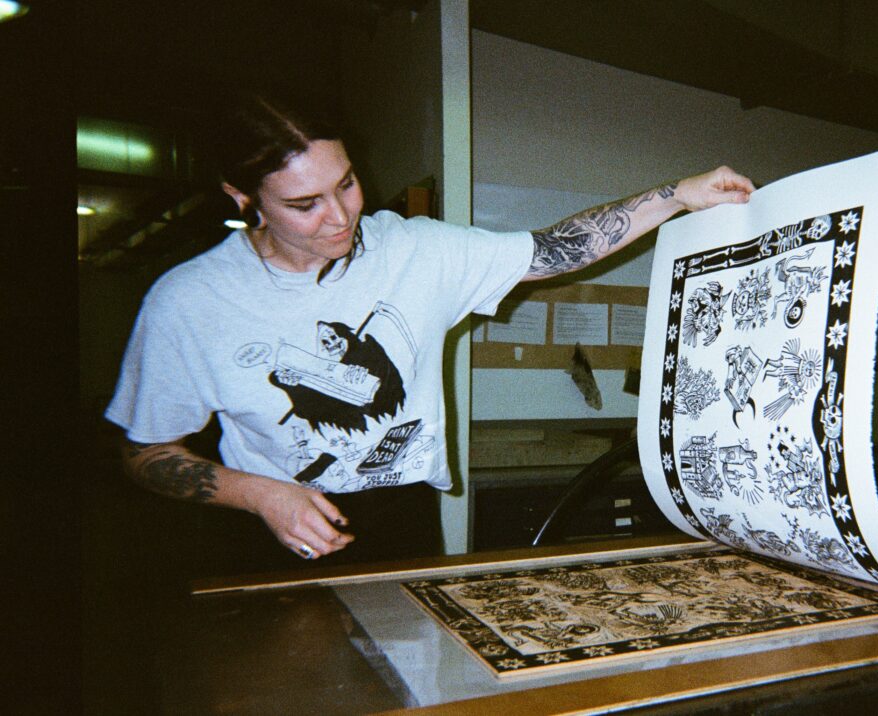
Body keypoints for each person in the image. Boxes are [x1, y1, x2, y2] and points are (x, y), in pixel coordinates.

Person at [105, 92, 755, 570]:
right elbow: (145, 453)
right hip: (268, 527)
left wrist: (677, 194)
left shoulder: (415, 251)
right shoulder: (189, 302)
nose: (339, 218)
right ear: (243, 197)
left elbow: (555, 249)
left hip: (400, 515)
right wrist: (259, 495)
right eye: (304, 205)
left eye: (348, 184)